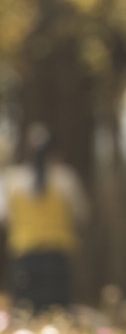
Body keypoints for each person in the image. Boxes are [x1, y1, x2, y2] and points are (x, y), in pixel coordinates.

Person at [0, 123, 89, 313]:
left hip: (25, 255)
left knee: (26, 313)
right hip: (58, 255)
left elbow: (4, 217)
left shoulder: (12, 180)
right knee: (58, 312)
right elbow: (81, 215)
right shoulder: (66, 178)